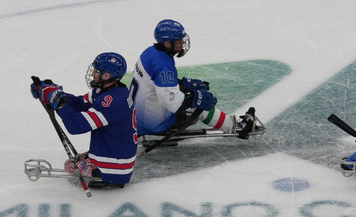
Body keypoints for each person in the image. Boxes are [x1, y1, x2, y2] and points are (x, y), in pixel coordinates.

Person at [131, 19, 255, 138]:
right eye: (179, 40)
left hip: (136, 116)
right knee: (199, 104)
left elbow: (155, 84)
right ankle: (236, 127)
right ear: (167, 43)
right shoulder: (164, 66)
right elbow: (170, 102)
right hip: (151, 123)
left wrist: (183, 85)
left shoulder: (150, 53)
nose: (183, 43)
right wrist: (195, 99)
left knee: (193, 96)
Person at [31, 52, 138, 188]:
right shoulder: (110, 90)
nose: (93, 74)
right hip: (118, 152)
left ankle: (104, 172)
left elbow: (75, 126)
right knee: (71, 163)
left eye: (96, 71)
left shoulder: (112, 101)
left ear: (106, 76)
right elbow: (78, 103)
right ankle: (99, 158)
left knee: (69, 165)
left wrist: (56, 101)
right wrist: (57, 94)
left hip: (116, 167)